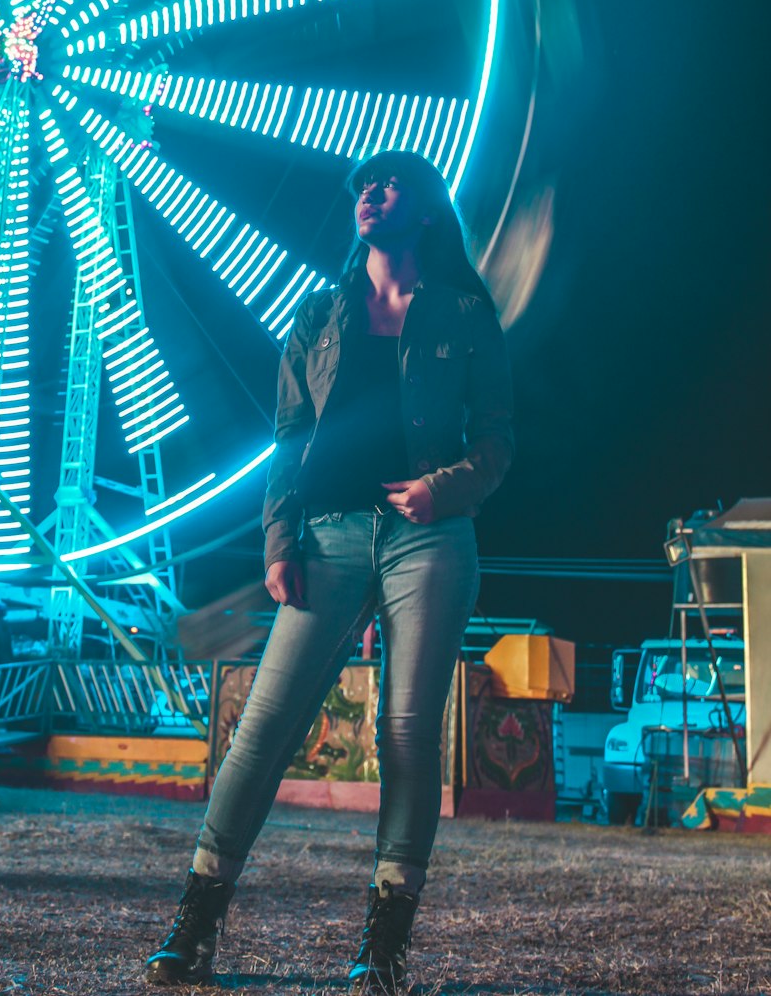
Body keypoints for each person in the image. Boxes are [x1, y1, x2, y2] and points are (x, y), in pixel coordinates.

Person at [145, 150, 514, 994]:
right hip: (328, 537)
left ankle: (383, 945)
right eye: (361, 188)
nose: (367, 196)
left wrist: (442, 488)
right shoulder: (318, 313)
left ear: (421, 210)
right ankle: (195, 924)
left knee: (408, 732)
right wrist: (277, 544)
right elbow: (288, 440)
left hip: (429, 538)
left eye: (386, 186)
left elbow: (498, 440)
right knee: (264, 728)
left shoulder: (463, 313)